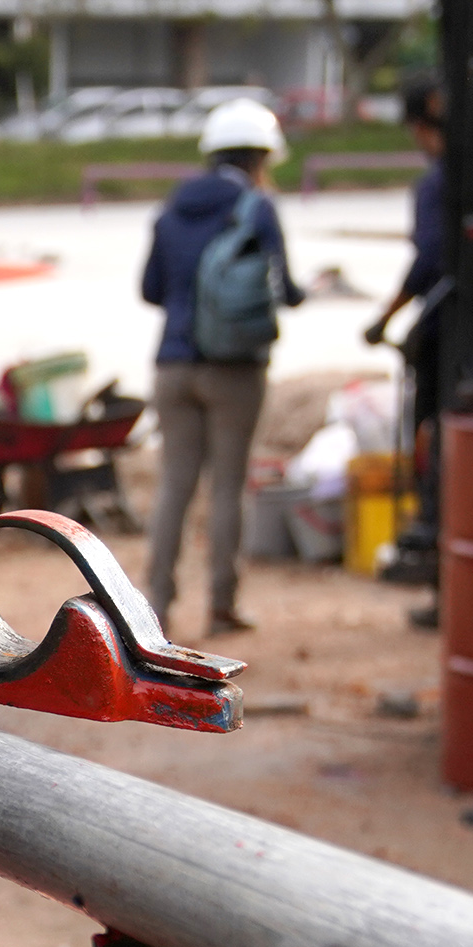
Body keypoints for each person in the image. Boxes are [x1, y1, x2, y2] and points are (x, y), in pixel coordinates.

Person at [140, 96, 302, 636]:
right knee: (229, 486)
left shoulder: (171, 207)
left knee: (173, 486)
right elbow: (288, 288)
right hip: (234, 368)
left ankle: (155, 607)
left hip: (172, 365)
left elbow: (151, 290)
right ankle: (223, 605)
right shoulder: (256, 207)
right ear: (261, 157)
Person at [364, 76, 447, 606]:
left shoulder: (437, 185)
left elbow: (429, 261)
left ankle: (434, 550)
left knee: (433, 441)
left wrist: (384, 319)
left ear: (419, 127)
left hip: (447, 334)